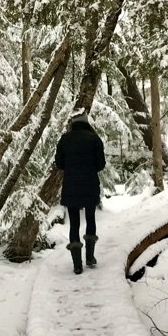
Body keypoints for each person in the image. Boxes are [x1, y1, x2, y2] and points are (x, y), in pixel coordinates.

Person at [55, 108, 106, 274]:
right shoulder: (94, 139)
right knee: (90, 218)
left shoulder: (65, 139)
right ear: (86, 122)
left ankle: (77, 265)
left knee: (74, 223)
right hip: (90, 184)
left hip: (71, 185)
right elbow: (101, 165)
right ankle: (90, 257)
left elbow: (59, 164)